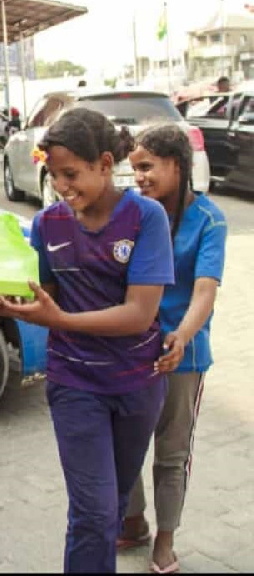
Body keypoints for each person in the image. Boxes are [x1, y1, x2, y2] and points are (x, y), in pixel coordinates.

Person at [0, 108, 175, 573]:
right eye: (55, 176)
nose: (61, 187)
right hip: (75, 383)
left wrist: (59, 318)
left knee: (113, 504)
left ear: (104, 163)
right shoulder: (49, 224)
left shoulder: (146, 217)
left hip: (138, 384)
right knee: (93, 513)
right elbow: (44, 297)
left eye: (71, 174)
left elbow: (140, 315)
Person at [118, 124, 227, 574]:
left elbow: (204, 290)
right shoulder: (134, 214)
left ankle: (165, 539)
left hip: (184, 353)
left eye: (147, 167)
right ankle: (133, 520)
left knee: (172, 451)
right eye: (134, 169)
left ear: (177, 166)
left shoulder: (209, 220)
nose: (139, 177)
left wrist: (181, 335)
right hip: (131, 349)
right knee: (125, 444)